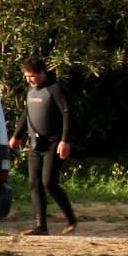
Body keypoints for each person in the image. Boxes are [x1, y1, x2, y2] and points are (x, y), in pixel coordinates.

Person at [12, 57, 78, 235]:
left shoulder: (55, 89)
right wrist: (16, 136)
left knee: (49, 182)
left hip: (54, 143)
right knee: (35, 184)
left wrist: (65, 140)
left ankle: (71, 219)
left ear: (42, 73)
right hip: (36, 143)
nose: (29, 80)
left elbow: (67, 113)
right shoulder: (31, 91)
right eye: (26, 76)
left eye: (32, 76)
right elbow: (27, 114)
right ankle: (41, 226)